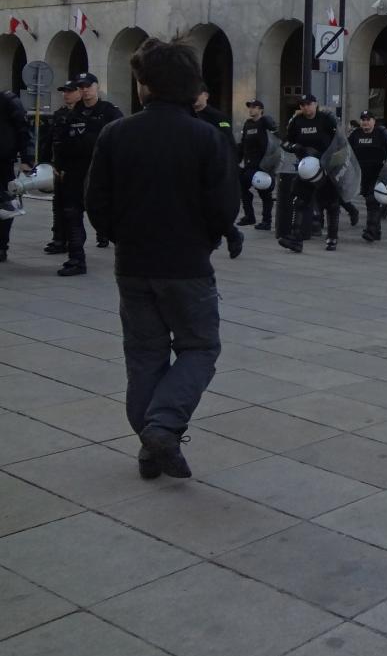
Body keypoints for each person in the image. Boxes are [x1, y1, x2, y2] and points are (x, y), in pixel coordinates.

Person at [85, 38, 239, 479]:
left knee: (144, 356)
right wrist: (205, 239)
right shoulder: (206, 137)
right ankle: (163, 427)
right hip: (187, 265)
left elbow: (96, 202)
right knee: (200, 347)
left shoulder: (116, 134)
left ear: (146, 86)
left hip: (134, 265)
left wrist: (122, 236)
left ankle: (151, 449)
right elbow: (224, 206)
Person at [53, 72, 123, 276]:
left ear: (96, 87)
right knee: (72, 214)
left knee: (112, 215)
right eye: (81, 87)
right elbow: (61, 142)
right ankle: (76, 259)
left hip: (102, 174)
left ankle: (124, 254)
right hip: (75, 174)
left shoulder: (109, 112)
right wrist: (59, 166)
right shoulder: (72, 114)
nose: (84, 90)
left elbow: (121, 141)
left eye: (88, 86)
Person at [278, 94, 341, 253]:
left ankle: (332, 238)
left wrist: (330, 158)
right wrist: (296, 147)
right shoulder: (296, 122)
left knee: (331, 203)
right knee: (299, 201)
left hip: (325, 167)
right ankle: (295, 238)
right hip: (306, 167)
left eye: (308, 104)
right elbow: (285, 142)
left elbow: (339, 140)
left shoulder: (326, 120)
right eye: (302, 105)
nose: (306, 107)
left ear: (315, 104)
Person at [194, 85, 244, 259]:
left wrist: (230, 169)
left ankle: (231, 235)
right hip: (193, 170)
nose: (194, 97)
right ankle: (226, 236)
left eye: (198, 93)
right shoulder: (186, 115)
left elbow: (228, 144)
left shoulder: (217, 117)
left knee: (214, 208)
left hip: (214, 170)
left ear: (206, 95)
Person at [41, 82, 80, 255]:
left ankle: (101, 235)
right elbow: (49, 140)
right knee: (59, 205)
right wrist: (44, 162)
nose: (66, 94)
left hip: (78, 168)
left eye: (70, 91)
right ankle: (59, 239)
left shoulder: (83, 114)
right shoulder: (59, 114)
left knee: (76, 208)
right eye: (64, 91)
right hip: (59, 167)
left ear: (79, 93)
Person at [0, 89, 34, 261]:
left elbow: (24, 129)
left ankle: (1, 246)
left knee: (6, 205)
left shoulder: (7, 100)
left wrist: (27, 159)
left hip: (3, 164)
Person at [349, 111, 387, 243]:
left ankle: (371, 231)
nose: (365, 122)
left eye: (368, 119)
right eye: (363, 120)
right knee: (371, 202)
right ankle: (377, 231)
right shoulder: (355, 134)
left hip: (378, 173)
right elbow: (347, 151)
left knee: (372, 200)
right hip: (362, 174)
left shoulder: (381, 134)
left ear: (374, 121)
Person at [237, 99, 277, 231]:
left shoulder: (264, 122)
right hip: (249, 165)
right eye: (250, 107)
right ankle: (249, 216)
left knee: (265, 193)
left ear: (260, 110)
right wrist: (237, 158)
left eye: (254, 107)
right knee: (242, 188)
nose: (251, 109)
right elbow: (243, 143)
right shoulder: (248, 124)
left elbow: (275, 136)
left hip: (262, 165)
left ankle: (266, 221)